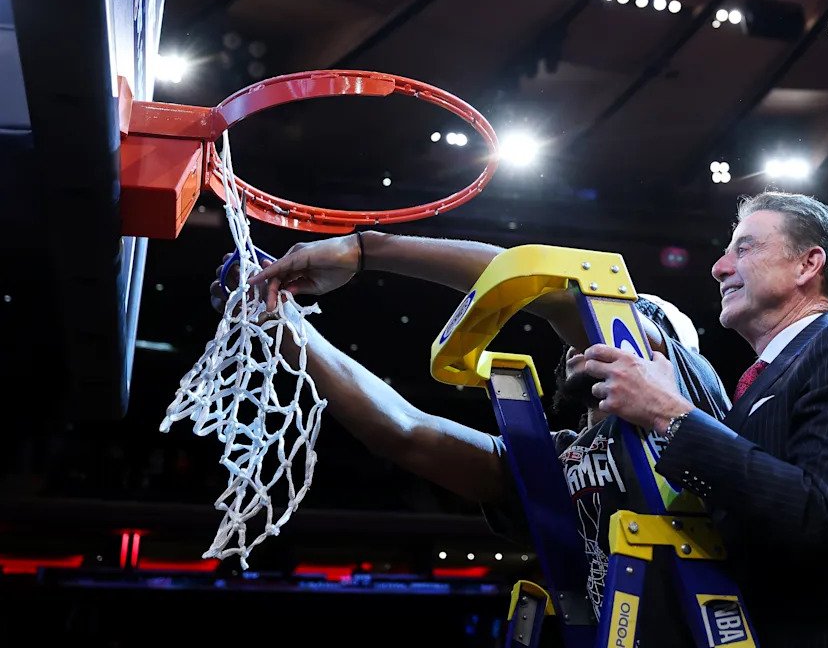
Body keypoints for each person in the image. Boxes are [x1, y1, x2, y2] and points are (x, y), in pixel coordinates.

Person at [220, 232, 729, 645]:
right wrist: (284, 323)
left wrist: (366, 248)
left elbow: (541, 290)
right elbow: (406, 432)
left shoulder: (694, 403)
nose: (591, 338)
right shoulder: (557, 456)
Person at [577, 191, 828, 646]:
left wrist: (666, 411)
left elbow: (819, 514)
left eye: (745, 247)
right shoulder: (751, 394)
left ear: (807, 264)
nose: (719, 267)